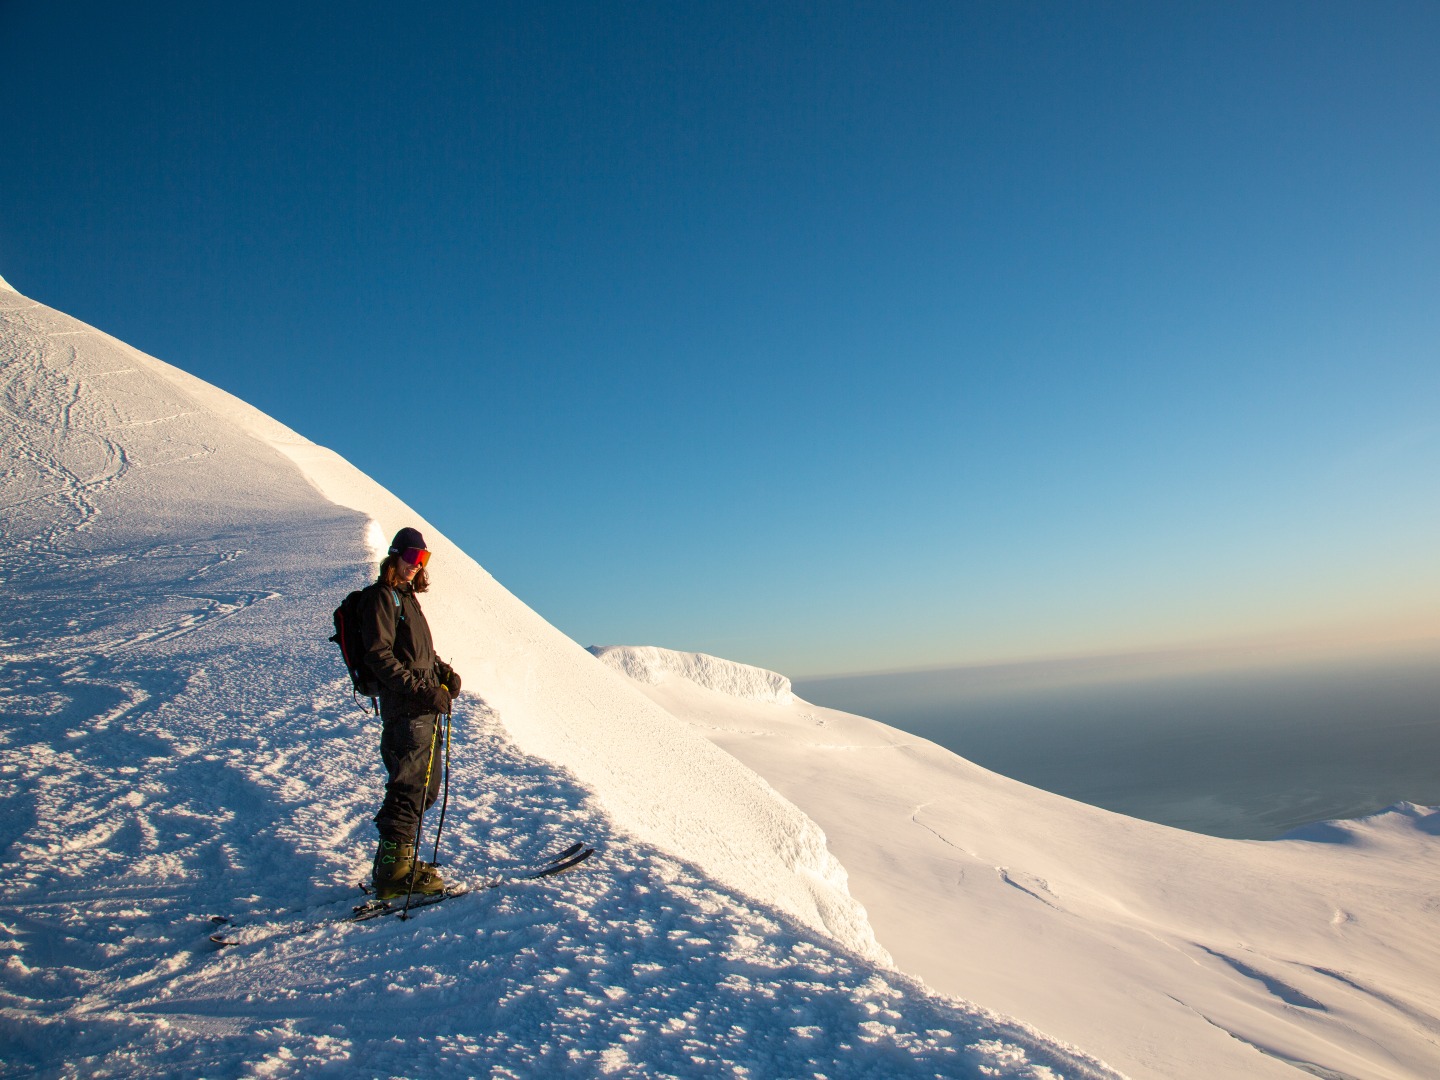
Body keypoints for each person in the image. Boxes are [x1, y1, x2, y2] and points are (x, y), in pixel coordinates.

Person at [357, 527, 462, 899]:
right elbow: (379, 656)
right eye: (412, 557)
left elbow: (416, 654)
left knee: (424, 788)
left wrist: (442, 672)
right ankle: (392, 871)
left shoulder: (406, 598)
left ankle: (400, 859)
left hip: (422, 709)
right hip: (407, 711)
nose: (417, 565)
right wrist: (424, 690)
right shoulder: (382, 598)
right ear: (395, 555)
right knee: (408, 787)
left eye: (424, 559)